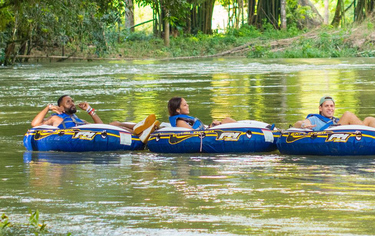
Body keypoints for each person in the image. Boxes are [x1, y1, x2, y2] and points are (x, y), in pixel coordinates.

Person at [30, 95, 158, 142]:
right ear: (61, 107)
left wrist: (89, 110)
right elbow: (35, 124)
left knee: (114, 123)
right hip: (75, 136)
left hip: (88, 132)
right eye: (68, 102)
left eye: (72, 101)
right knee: (114, 123)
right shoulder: (55, 118)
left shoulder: (77, 119)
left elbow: (101, 126)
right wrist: (48, 107)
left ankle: (141, 129)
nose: (73, 103)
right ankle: (140, 131)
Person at [293, 96, 375, 133]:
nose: (330, 108)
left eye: (332, 106)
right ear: (320, 108)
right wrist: (303, 125)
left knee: (369, 119)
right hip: (327, 133)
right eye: (327, 106)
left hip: (338, 129)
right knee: (348, 114)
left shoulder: (335, 119)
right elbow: (299, 123)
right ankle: (372, 130)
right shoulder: (314, 118)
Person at [167, 97, 236, 130]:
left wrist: (211, 125)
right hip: (205, 134)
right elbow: (193, 134)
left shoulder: (182, 119)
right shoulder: (179, 121)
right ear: (178, 110)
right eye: (185, 105)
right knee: (226, 120)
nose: (188, 106)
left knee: (226, 120)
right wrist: (211, 127)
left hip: (205, 130)